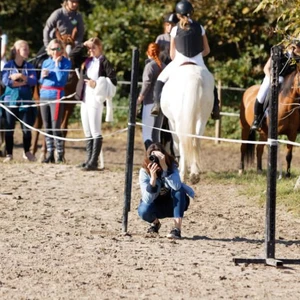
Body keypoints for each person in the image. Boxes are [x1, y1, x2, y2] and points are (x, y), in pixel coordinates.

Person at [150, 0, 220, 120]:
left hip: (179, 62)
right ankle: (215, 108)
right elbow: (207, 50)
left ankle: (156, 104)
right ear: (191, 13)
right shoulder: (200, 28)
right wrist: (197, 56)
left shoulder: (175, 30)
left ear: (178, 15)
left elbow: (172, 55)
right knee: (210, 81)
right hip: (198, 61)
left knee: (161, 79)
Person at [76, 37, 117, 171]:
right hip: (85, 97)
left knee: (95, 130)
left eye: (94, 47)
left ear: (100, 47)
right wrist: (83, 44)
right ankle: (88, 159)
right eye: (90, 48)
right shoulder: (87, 61)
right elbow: (73, 55)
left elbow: (113, 80)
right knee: (87, 130)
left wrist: (97, 84)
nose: (91, 50)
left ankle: (94, 161)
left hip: (96, 98)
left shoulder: (104, 62)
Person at [138, 142, 194, 239]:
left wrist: (165, 168)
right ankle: (155, 224)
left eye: (159, 157)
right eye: (152, 157)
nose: (156, 161)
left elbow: (176, 186)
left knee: (179, 190)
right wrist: (153, 180)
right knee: (143, 210)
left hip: (173, 205)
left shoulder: (171, 166)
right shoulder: (144, 171)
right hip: (156, 206)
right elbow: (147, 200)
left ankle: (177, 229)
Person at [1, 40, 37, 163]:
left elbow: (33, 81)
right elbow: (7, 82)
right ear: (17, 51)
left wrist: (20, 77)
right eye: (25, 49)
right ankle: (9, 154)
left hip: (25, 101)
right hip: (10, 100)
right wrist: (22, 81)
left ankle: (27, 152)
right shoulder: (8, 66)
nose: (28, 51)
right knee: (9, 128)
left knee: (27, 129)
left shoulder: (30, 66)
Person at [251, 42, 300, 130]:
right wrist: (271, 79)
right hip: (270, 76)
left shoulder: (296, 59)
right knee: (261, 95)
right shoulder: (278, 52)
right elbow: (266, 68)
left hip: (284, 81)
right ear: (294, 47)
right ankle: (257, 119)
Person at [39, 39, 71, 163]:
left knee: (55, 125)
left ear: (62, 50)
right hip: (44, 94)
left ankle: (60, 154)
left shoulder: (66, 62)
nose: (56, 51)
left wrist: (57, 65)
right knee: (46, 125)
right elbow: (41, 82)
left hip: (56, 94)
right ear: (49, 50)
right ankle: (50, 153)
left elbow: (61, 80)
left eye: (58, 48)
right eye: (53, 49)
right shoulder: (46, 62)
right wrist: (42, 76)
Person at [137, 43, 166, 150]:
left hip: (149, 102)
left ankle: (151, 160)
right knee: (156, 134)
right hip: (161, 104)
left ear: (148, 53)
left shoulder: (149, 66)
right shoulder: (164, 66)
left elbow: (146, 84)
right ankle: (159, 160)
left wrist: (140, 98)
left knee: (147, 134)